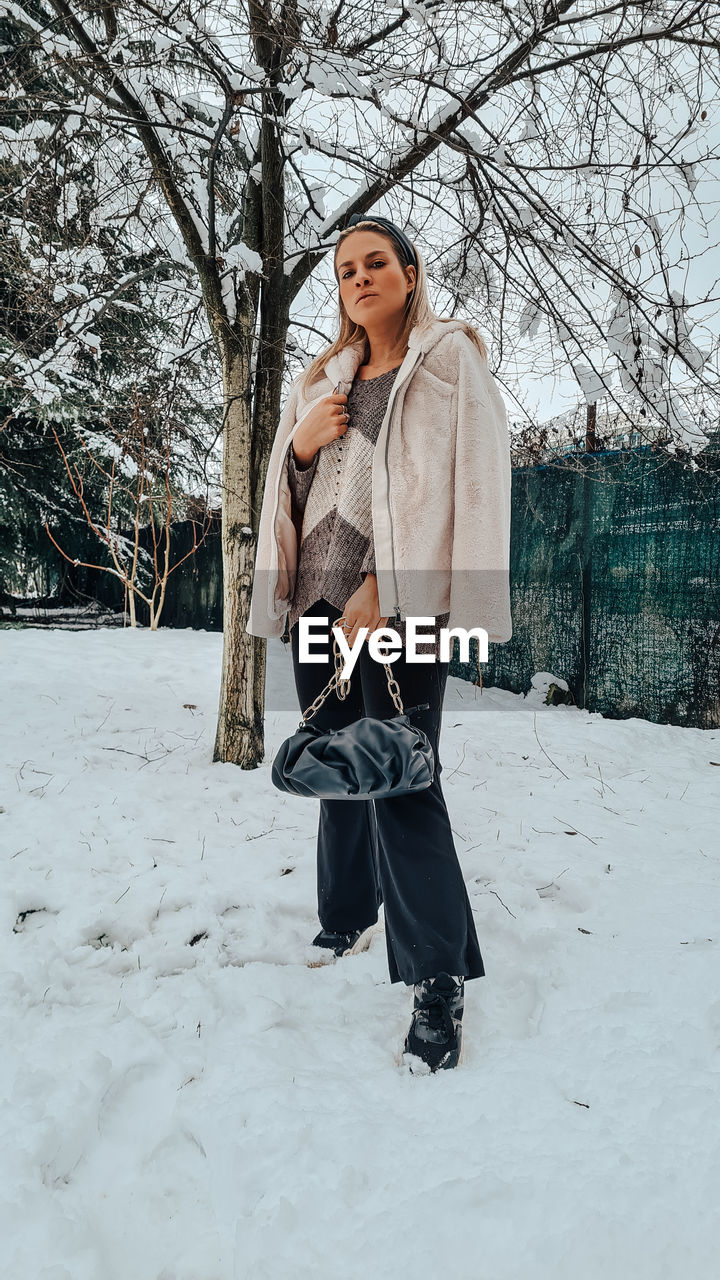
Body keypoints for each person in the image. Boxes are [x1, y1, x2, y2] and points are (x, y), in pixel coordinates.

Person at [246, 213, 513, 1072]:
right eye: (345, 269)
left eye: (375, 262)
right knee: (336, 758)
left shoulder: (448, 363)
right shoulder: (321, 375)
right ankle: (347, 910)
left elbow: (478, 484)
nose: (359, 277)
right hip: (317, 600)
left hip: (400, 611)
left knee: (402, 776)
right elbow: (291, 488)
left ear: (408, 269)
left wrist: (404, 597)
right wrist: (297, 445)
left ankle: (438, 979)